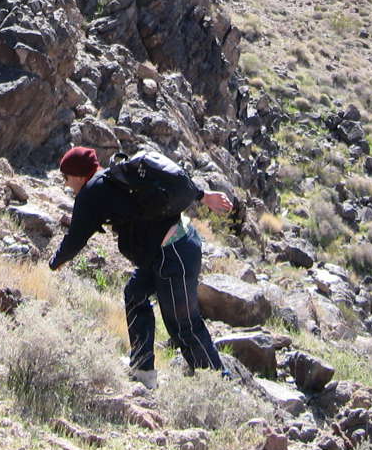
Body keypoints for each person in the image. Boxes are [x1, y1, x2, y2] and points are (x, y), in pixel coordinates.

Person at [47, 145, 235, 389]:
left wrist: (54, 264)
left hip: (172, 253)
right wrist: (202, 195)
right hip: (172, 249)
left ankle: (220, 387)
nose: (66, 183)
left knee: (183, 326)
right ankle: (142, 371)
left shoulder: (91, 192)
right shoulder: (113, 179)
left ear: (78, 175)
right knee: (135, 293)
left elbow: (75, 239)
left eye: (66, 177)